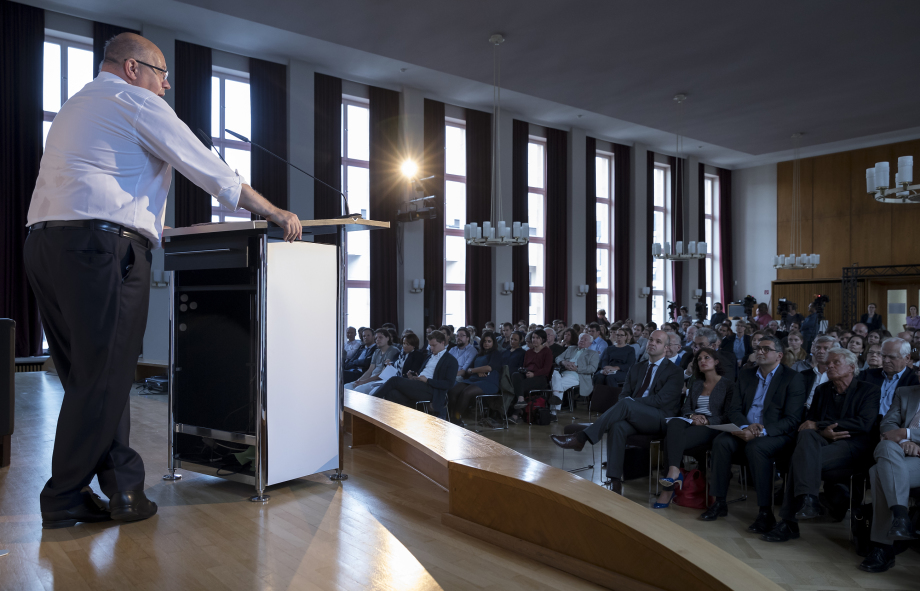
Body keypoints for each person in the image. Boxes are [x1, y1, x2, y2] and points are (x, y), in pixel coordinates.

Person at [22, 33, 304, 529]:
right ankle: (62, 496)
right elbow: (210, 169)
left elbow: (106, 180)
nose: (167, 86)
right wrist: (273, 210)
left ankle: (124, 489)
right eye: (161, 73)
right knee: (105, 378)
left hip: (47, 245)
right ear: (133, 68)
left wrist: (152, 224)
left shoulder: (78, 104)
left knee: (91, 379)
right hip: (99, 250)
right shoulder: (134, 100)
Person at [761, 348, 880, 542]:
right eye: (828, 363)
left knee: (798, 460)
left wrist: (821, 425)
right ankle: (808, 500)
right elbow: (810, 420)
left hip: (853, 446)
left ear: (851, 367)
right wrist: (821, 430)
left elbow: (863, 423)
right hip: (822, 442)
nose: (829, 366)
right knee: (806, 435)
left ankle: (792, 520)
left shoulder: (868, 390)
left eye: (836, 362)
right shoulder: (822, 389)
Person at [549, 330, 683, 495]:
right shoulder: (637, 367)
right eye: (650, 340)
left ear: (666, 348)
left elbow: (661, 400)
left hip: (659, 418)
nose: (652, 343)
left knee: (627, 404)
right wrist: (630, 405)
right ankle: (615, 481)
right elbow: (624, 394)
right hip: (634, 415)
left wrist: (631, 404)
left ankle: (581, 437)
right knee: (618, 426)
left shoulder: (675, 371)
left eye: (658, 341)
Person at [700, 336, 807, 534]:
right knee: (722, 441)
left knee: (757, 447)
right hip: (746, 429)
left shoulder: (792, 378)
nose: (760, 352)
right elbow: (734, 409)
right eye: (758, 348)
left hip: (777, 435)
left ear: (779, 355)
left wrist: (761, 431)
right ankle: (720, 502)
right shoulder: (746, 375)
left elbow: (792, 419)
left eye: (766, 349)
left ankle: (765, 512)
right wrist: (746, 427)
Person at [654, 348, 735, 508]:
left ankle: (668, 489)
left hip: (714, 426)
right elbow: (686, 409)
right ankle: (674, 472)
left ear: (716, 362)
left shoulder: (728, 385)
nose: (702, 361)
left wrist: (706, 420)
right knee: (675, 422)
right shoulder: (697, 384)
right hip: (692, 422)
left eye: (707, 358)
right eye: (699, 359)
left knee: (670, 440)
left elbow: (728, 414)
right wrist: (692, 416)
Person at [859, 384, 920, 573]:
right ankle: (901, 518)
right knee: (885, 448)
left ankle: (883, 547)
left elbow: (898, 429)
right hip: (899, 453)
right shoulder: (906, 392)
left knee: (878, 472)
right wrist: (904, 441)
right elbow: (887, 424)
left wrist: (906, 433)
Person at [374, 331, 459, 419]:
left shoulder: (451, 360)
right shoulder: (429, 356)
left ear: (443, 343)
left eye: (434, 345)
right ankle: (399, 421)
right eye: (430, 345)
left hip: (432, 390)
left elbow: (449, 383)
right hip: (420, 385)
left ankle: (372, 403)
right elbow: (423, 373)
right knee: (392, 393)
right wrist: (413, 377)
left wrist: (427, 381)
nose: (431, 348)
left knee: (394, 380)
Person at [447, 331, 503, 428]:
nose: (486, 343)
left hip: (489, 382)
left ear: (493, 342)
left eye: (489, 341)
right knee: (453, 390)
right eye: (485, 341)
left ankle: (456, 418)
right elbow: (468, 370)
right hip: (474, 379)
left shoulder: (496, 354)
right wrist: (476, 371)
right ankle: (452, 417)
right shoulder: (479, 354)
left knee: (466, 393)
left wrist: (474, 370)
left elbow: (489, 368)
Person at [860, 337, 919, 416]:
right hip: (866, 424)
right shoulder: (866, 375)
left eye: (892, 357)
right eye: (883, 356)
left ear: (907, 358)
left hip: (896, 426)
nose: (886, 361)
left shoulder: (915, 380)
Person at [550, 333, 601, 413]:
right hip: (563, 373)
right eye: (581, 339)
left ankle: (553, 411)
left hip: (578, 375)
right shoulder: (571, 348)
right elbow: (558, 358)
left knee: (556, 384)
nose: (582, 341)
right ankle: (554, 410)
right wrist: (564, 362)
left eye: (585, 340)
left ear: (590, 344)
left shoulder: (593, 354)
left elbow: (592, 368)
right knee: (556, 376)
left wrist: (577, 368)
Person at [510, 329, 554, 416]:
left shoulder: (547, 352)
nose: (534, 340)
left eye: (537, 338)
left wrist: (534, 374)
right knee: (515, 375)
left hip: (541, 377)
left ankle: (515, 414)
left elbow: (546, 369)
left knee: (518, 386)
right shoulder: (529, 352)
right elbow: (525, 365)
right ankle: (521, 400)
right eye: (533, 337)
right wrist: (524, 370)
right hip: (528, 373)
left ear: (543, 340)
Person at [344, 329, 399, 393]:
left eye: (380, 337)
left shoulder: (393, 350)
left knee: (358, 390)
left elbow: (383, 374)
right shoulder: (377, 351)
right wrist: (359, 380)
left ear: (387, 338)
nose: (377, 340)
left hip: (380, 381)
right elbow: (370, 370)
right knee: (346, 386)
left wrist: (364, 382)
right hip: (371, 378)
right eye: (376, 338)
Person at [794, 335, 836, 410]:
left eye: (826, 348)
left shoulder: (838, 376)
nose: (821, 351)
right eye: (818, 348)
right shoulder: (804, 375)